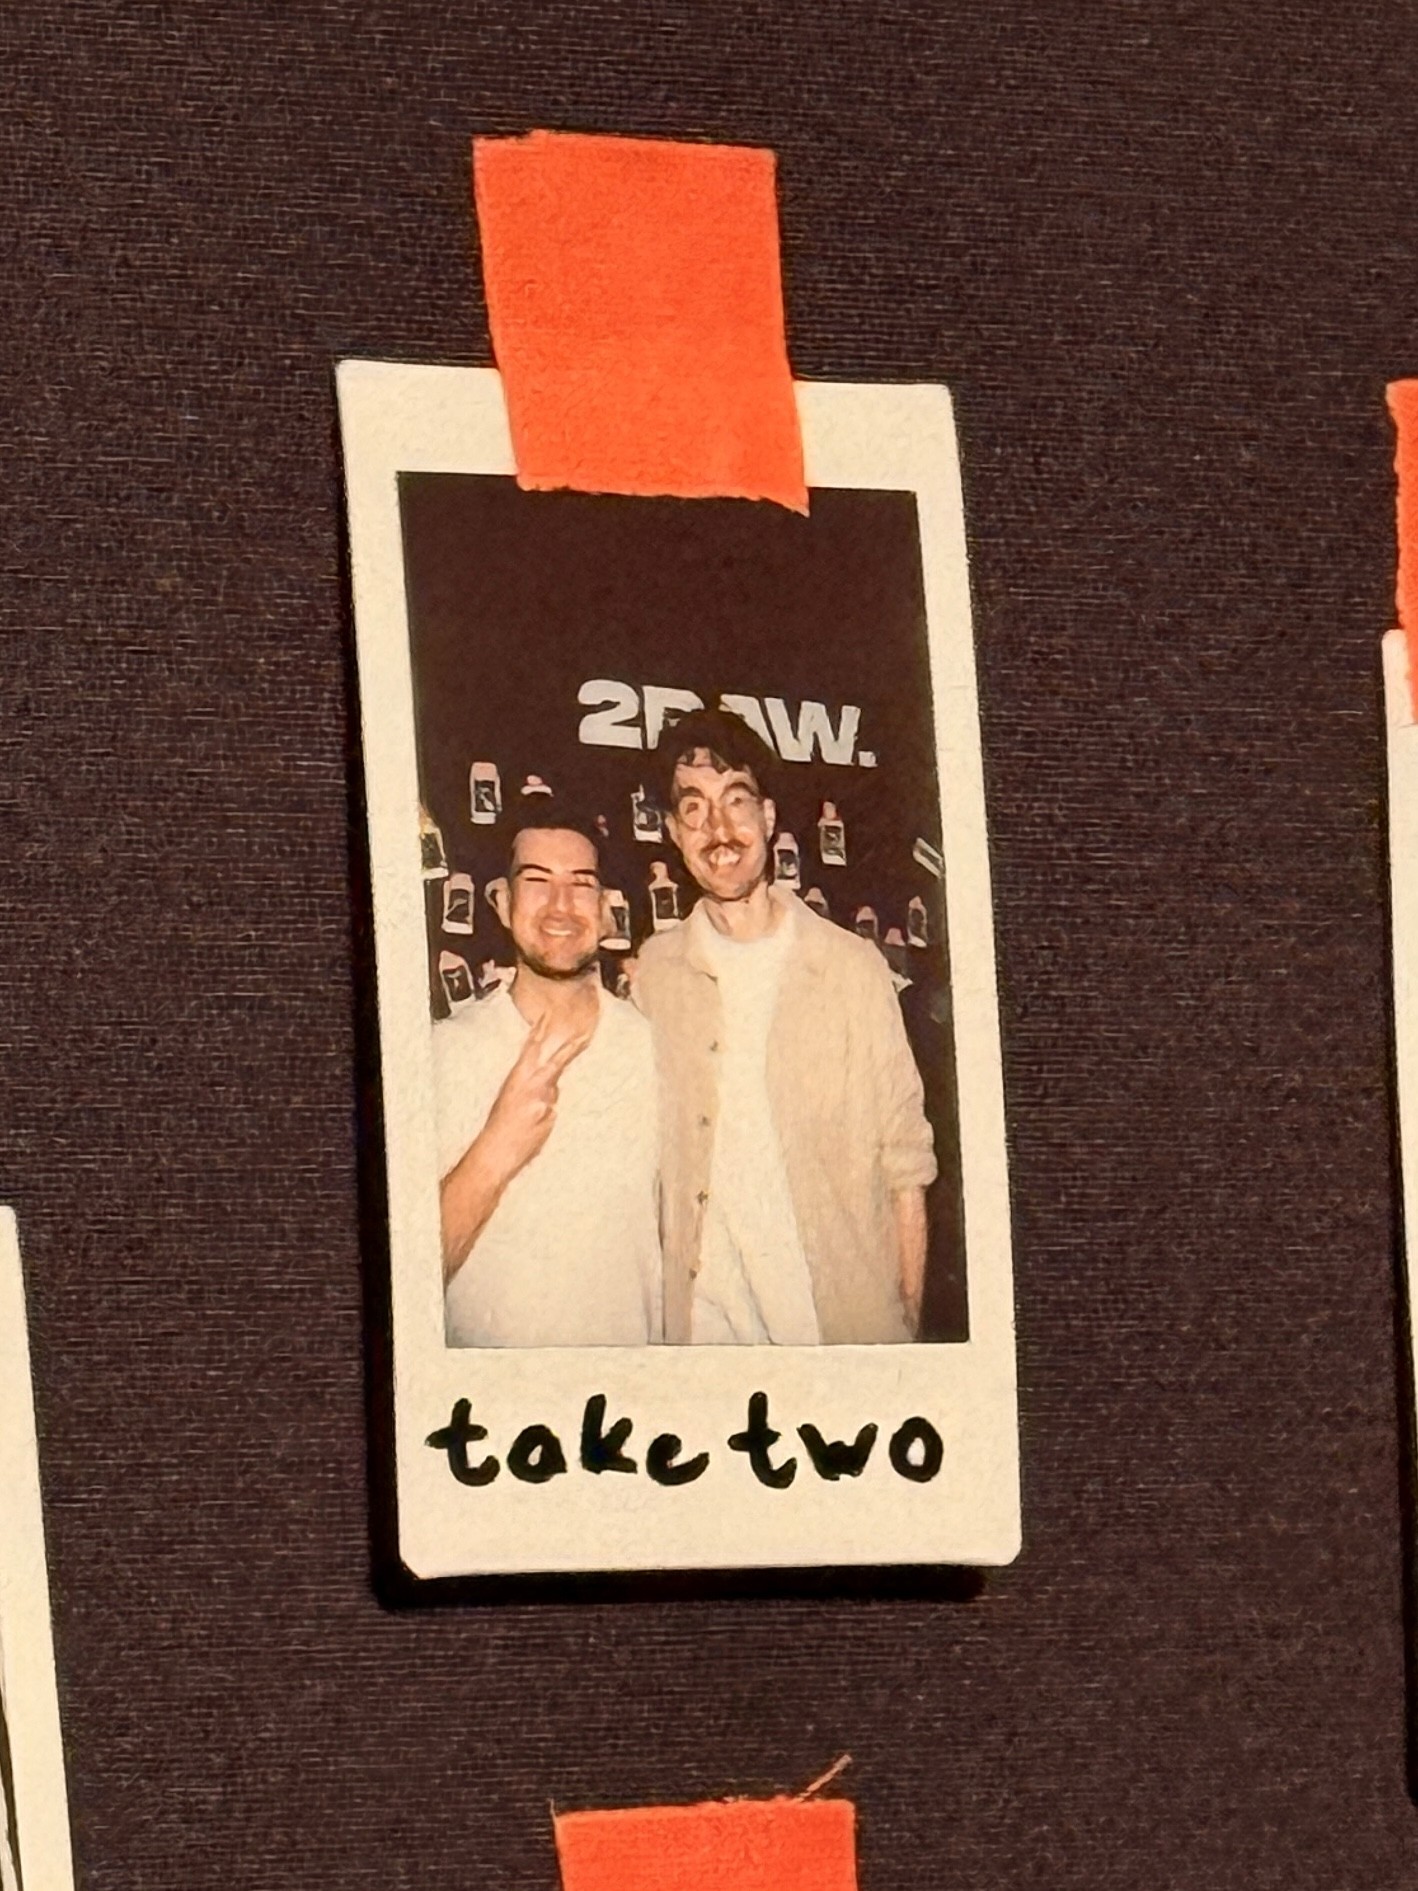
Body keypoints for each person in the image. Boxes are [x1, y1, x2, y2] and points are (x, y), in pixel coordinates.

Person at [634, 708, 937, 1346]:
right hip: (705, 1341)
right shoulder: (656, 973)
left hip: (838, 1333)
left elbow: (906, 1163)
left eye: (736, 801)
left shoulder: (852, 968)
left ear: (769, 817)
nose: (719, 829)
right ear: (672, 832)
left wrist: (905, 1330)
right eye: (694, 808)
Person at [432, 801, 661, 1346]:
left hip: (628, 1383)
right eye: (537, 881)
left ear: (606, 909)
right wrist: (498, 1146)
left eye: (581, 884)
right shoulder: (445, 1052)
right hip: (495, 1390)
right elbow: (400, 1282)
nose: (561, 905)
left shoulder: (655, 1050)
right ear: (503, 903)